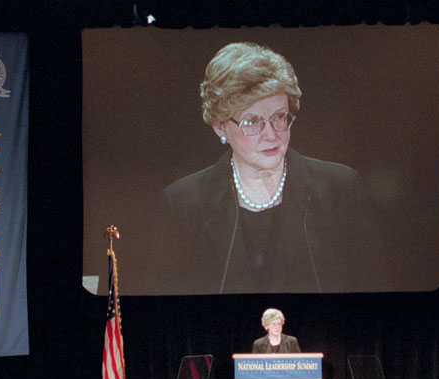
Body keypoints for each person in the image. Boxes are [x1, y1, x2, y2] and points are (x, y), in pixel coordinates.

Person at [152, 41, 384, 295]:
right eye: (252, 122)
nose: (271, 135)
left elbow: (376, 295)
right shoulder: (183, 203)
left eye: (279, 117)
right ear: (220, 126)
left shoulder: (340, 189)